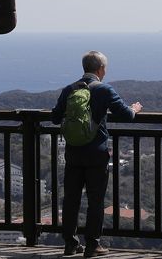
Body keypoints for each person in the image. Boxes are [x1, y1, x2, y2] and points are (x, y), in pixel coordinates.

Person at [52, 50, 143, 257]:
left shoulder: (69, 89)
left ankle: (70, 244)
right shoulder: (103, 89)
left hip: (73, 153)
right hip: (97, 154)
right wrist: (135, 108)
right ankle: (93, 245)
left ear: (84, 68)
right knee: (95, 200)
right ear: (101, 69)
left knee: (71, 199)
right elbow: (127, 115)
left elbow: (55, 118)